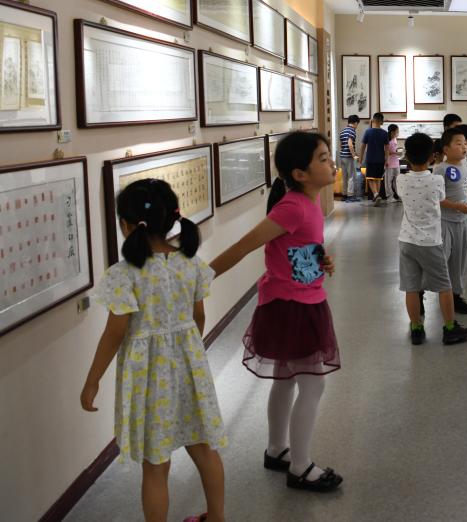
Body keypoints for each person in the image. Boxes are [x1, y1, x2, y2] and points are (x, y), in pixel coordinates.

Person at [80, 179, 226, 522]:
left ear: (125, 225)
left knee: (156, 466)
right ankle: (218, 518)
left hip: (148, 376)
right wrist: (187, 348)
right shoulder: (190, 263)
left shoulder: (124, 273)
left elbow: (115, 333)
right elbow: (199, 316)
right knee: (204, 449)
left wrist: (92, 380)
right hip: (190, 366)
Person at [210, 132, 343, 492]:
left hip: (300, 299)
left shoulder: (308, 203)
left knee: (286, 379)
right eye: (322, 158)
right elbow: (244, 245)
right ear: (300, 174)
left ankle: (276, 449)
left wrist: (320, 259)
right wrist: (200, 277)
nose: (331, 163)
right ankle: (300, 466)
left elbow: (297, 246)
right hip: (292, 306)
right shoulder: (293, 206)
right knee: (313, 385)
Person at [397, 133, 467, 346]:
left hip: (406, 240)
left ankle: (416, 328)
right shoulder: (436, 180)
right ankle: (450, 328)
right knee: (444, 286)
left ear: (406, 156)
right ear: (432, 156)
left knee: (411, 287)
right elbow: (441, 199)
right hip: (430, 241)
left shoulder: (400, 180)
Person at [435, 127, 467, 316]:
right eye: (458, 144)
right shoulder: (440, 169)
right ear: (446, 149)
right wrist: (456, 206)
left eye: (465, 143)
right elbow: (436, 198)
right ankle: (442, 294)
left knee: (460, 260)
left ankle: (456, 296)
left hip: (463, 221)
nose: (464, 147)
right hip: (445, 222)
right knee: (444, 260)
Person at [360, 112, 390, 207]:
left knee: (370, 178)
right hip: (381, 159)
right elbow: (387, 148)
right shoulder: (385, 133)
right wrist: (387, 160)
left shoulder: (368, 132)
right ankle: (377, 195)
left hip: (370, 159)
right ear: (381, 122)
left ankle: (376, 194)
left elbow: (363, 146)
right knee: (378, 178)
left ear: (373, 120)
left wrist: (360, 159)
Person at [338, 114, 360, 199]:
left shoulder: (343, 131)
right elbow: (350, 144)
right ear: (355, 123)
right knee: (351, 176)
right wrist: (354, 156)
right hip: (349, 157)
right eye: (357, 124)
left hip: (342, 156)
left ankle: (344, 194)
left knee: (344, 176)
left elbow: (341, 145)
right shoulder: (352, 131)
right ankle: (350, 195)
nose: (357, 126)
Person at [383, 124, 402, 203]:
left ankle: (399, 196)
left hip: (396, 162)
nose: (397, 132)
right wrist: (395, 153)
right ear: (392, 131)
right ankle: (390, 197)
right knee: (388, 181)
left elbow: (394, 149)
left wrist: (397, 152)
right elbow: (386, 152)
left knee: (397, 181)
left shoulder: (395, 139)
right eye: (396, 131)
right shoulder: (386, 140)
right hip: (389, 162)